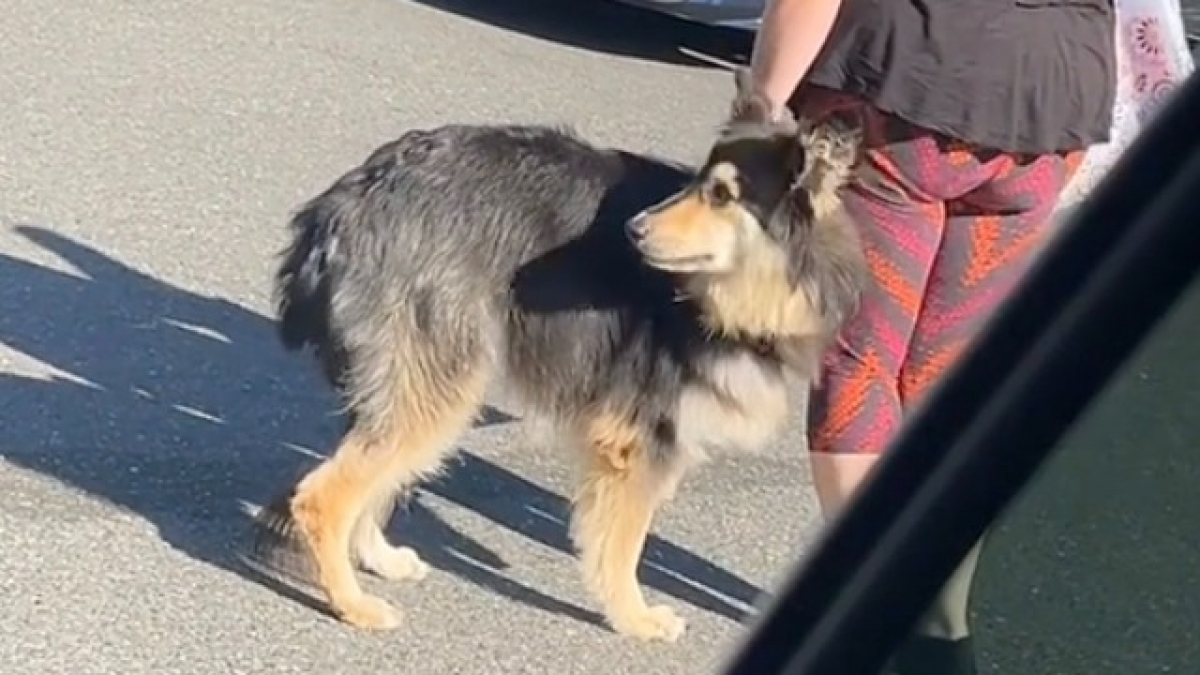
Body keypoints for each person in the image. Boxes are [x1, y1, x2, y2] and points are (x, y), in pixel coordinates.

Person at [744, 0, 1121, 673]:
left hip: (900, 97)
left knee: (860, 362)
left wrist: (761, 107)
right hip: (1049, 113)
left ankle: (873, 603)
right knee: (941, 378)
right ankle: (932, 625)